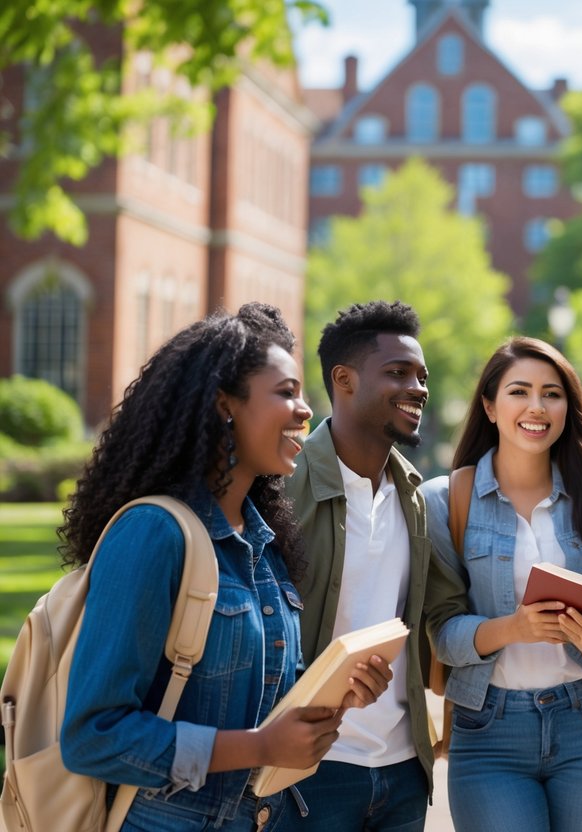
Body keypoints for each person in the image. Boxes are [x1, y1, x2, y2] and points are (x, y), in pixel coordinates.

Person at [61, 303, 389, 830]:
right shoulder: (154, 533)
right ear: (223, 406)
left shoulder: (266, 541)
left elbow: (252, 696)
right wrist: (258, 746)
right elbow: (92, 736)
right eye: (285, 392)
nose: (306, 410)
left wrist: (335, 694)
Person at [421, 337, 582, 832]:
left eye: (552, 393)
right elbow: (441, 636)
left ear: (568, 408)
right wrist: (513, 627)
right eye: (519, 392)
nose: (537, 407)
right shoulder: (446, 502)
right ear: (490, 406)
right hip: (487, 730)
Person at [283, 301, 452, 830]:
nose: (419, 388)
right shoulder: (283, 489)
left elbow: (440, 614)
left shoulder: (415, 496)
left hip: (402, 771)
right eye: (398, 373)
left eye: (421, 376)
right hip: (313, 769)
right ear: (344, 379)